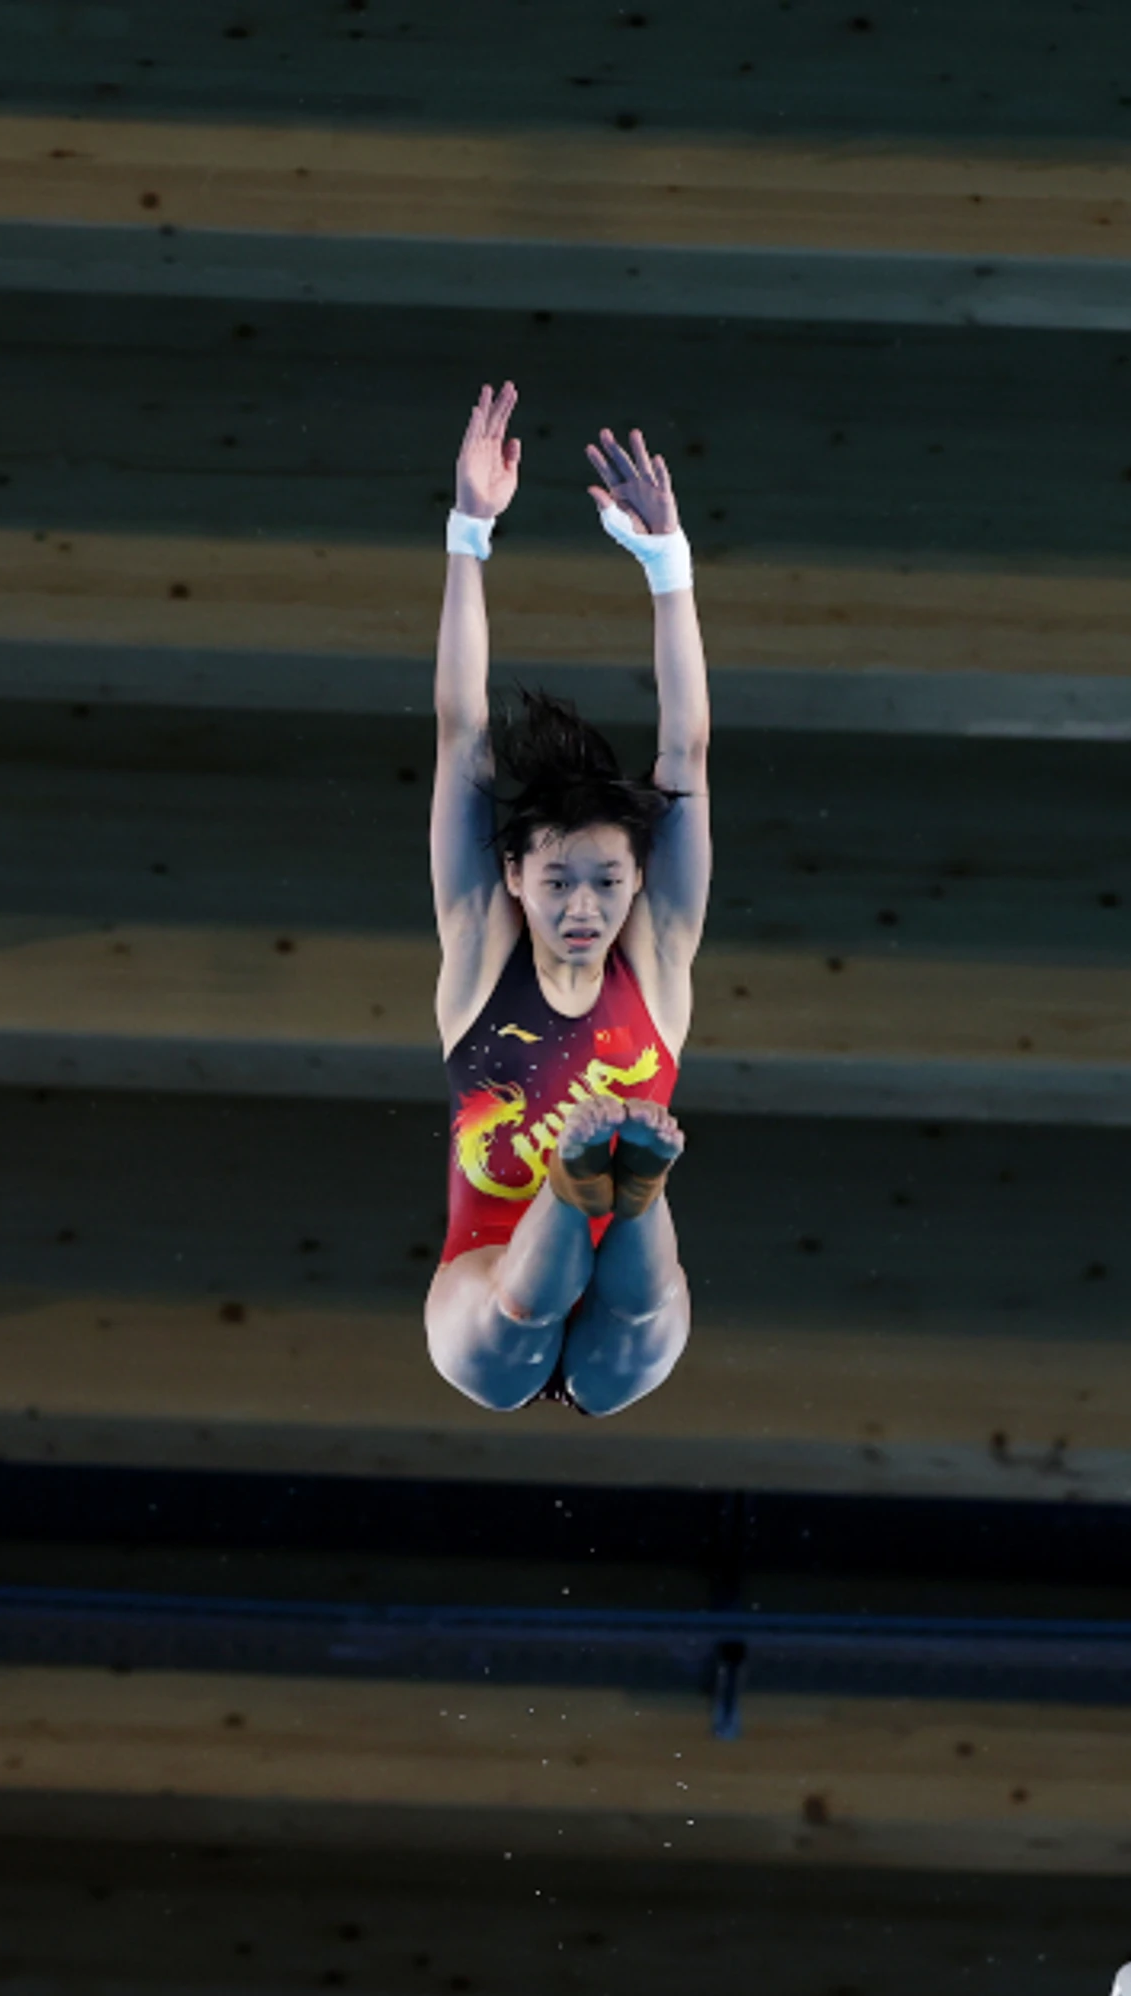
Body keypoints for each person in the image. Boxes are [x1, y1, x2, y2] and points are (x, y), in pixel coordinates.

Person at [423, 382, 710, 1414]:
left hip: (612, 1306)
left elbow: (688, 753)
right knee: (508, 1323)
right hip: (486, 1273)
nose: (583, 906)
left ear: (641, 882)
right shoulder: (479, 951)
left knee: (635, 1318)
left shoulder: (660, 950)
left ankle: (617, 1181)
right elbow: (462, 737)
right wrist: (470, 532)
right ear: (512, 879)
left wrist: (667, 565)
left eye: (607, 881)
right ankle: (594, 1178)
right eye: (556, 881)